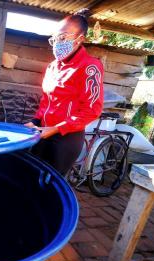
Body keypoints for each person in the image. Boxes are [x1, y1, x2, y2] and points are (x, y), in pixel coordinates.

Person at [25, 9, 104, 176]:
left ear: (80, 39)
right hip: (43, 131)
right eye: (55, 39)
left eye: (63, 37)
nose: (57, 43)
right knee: (31, 175)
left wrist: (56, 128)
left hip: (66, 137)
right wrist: (35, 121)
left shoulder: (90, 67)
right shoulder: (52, 67)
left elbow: (92, 110)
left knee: (52, 184)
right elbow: (46, 101)